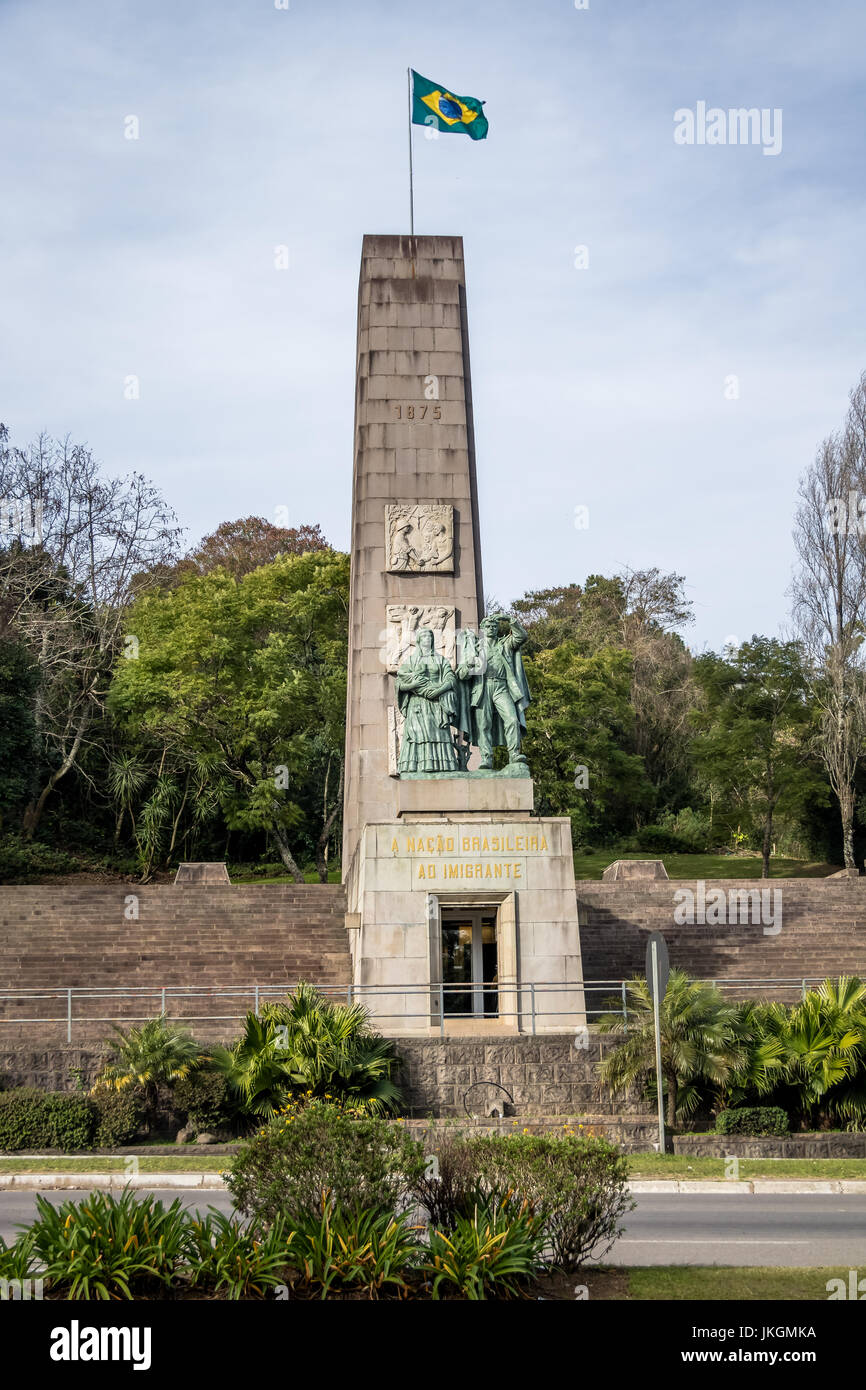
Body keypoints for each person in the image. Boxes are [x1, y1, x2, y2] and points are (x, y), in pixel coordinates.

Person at [458, 613, 531, 768]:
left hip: (502, 687)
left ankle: (514, 754)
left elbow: (522, 637)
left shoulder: (505, 643)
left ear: (497, 628)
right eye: (488, 626)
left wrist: (510, 620)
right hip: (481, 688)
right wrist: (470, 664)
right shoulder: (474, 647)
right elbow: (462, 674)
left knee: (512, 720)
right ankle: (486, 759)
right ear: (482, 629)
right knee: (483, 725)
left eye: (494, 626)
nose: (491, 628)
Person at [395, 627, 459, 774]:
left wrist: (439, 690)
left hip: (437, 703)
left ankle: (443, 766)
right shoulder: (411, 660)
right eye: (424, 636)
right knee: (417, 735)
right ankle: (415, 766)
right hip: (417, 704)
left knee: (438, 734)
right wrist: (413, 685)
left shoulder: (440, 660)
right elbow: (400, 683)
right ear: (419, 640)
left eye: (430, 636)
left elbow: (451, 679)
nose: (427, 638)